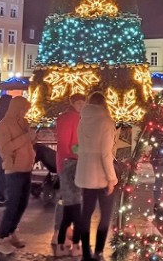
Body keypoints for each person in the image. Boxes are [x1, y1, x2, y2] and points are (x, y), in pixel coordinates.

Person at [75, 92, 118, 261]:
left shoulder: (82, 121)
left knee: (86, 213)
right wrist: (111, 178)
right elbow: (105, 154)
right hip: (101, 174)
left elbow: (79, 147)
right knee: (105, 214)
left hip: (85, 173)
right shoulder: (106, 121)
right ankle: (99, 252)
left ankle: (86, 253)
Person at [0, 96, 36, 255]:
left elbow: (26, 143)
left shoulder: (23, 123)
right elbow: (5, 149)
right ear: (15, 108)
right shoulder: (3, 125)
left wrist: (31, 142)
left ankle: (11, 233)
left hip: (26, 168)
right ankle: (2, 238)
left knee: (22, 204)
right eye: (23, 108)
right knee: (12, 205)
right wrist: (26, 137)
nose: (25, 112)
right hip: (13, 169)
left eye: (26, 109)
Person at [54, 93, 86, 257]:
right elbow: (66, 145)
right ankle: (64, 236)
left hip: (73, 162)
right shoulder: (68, 118)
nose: (81, 105)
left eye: (83, 102)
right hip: (69, 163)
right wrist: (83, 153)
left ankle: (62, 234)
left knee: (69, 200)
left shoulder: (79, 117)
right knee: (70, 201)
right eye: (78, 102)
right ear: (72, 103)